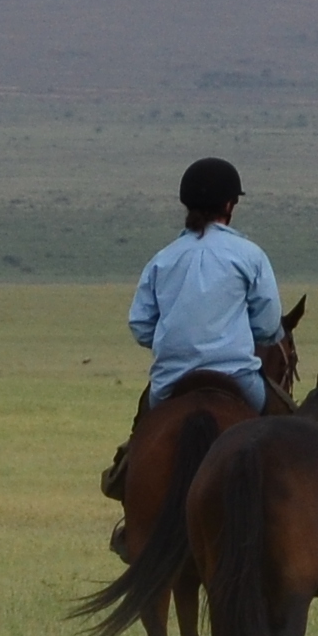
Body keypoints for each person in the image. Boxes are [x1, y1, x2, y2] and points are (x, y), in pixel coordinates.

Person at [105, 158, 287, 503]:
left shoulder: (163, 259)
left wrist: (177, 337)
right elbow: (267, 324)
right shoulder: (249, 255)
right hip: (238, 378)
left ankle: (126, 492)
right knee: (290, 430)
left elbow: (141, 326)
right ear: (229, 205)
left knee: (142, 434)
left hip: (171, 381)